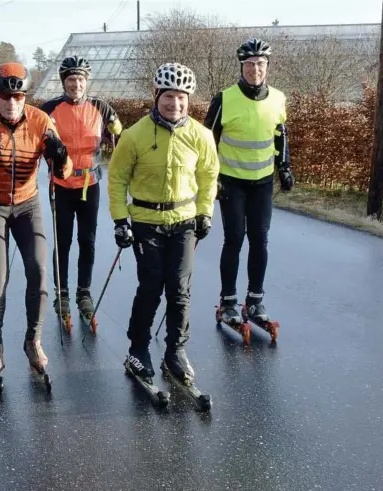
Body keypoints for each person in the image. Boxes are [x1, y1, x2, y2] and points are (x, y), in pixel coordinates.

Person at [0, 62, 72, 375]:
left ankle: (33, 340)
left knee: (38, 271)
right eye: (5, 97)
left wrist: (61, 157)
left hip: (27, 204)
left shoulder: (41, 121)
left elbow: (64, 172)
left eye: (18, 97)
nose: (12, 103)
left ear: (25, 97)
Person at [108, 63, 218, 384]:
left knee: (180, 290)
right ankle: (138, 348)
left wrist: (204, 212)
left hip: (184, 222)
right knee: (152, 286)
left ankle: (175, 352)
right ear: (156, 96)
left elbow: (209, 175)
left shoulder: (201, 136)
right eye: (168, 96)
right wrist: (119, 219)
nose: (175, 103)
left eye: (181, 97)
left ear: (188, 99)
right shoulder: (134, 135)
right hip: (146, 222)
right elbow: (117, 179)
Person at [204, 38, 294, 325]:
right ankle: (228, 301)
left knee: (260, 240)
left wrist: (284, 166)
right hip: (231, 181)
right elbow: (207, 139)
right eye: (250, 64)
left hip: (263, 181)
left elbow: (280, 134)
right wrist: (211, 177)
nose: (256, 69)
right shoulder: (224, 98)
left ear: (267, 66)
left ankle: (255, 301)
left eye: (261, 64)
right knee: (234, 239)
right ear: (241, 66)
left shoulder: (278, 98)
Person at [40, 55, 123, 322]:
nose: (76, 84)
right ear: (64, 82)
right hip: (62, 184)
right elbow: (35, 139)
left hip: (90, 183)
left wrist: (117, 133)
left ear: (86, 82)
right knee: (62, 242)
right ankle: (61, 292)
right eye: (71, 79)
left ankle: (83, 292)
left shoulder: (100, 106)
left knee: (87, 241)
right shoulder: (49, 108)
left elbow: (121, 134)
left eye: (80, 79)